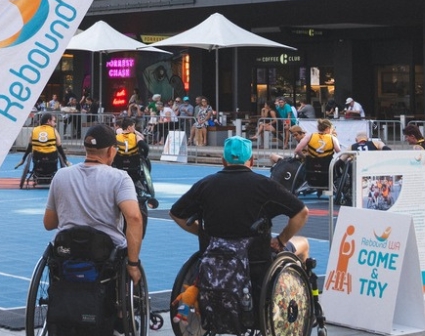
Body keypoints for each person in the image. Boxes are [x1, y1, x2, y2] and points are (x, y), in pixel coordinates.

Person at [171, 136, 309, 283]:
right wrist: (281, 240)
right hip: (256, 263)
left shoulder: (205, 185)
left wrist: (203, 233)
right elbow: (302, 212)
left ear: (223, 161)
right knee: (303, 244)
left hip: (214, 261)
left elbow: (176, 214)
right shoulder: (265, 186)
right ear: (251, 160)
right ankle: (300, 293)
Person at [42, 124, 145, 283]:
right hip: (104, 254)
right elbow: (134, 218)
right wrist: (133, 264)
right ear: (111, 150)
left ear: (85, 148)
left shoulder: (61, 175)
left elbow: (49, 223)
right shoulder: (119, 178)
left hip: (67, 251)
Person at [112, 116, 155, 208]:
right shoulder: (135, 136)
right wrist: (144, 155)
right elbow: (145, 147)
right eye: (133, 127)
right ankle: (146, 188)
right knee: (143, 160)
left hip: (120, 168)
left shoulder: (117, 137)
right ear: (129, 127)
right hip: (134, 167)